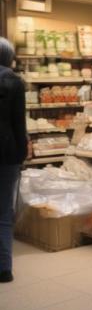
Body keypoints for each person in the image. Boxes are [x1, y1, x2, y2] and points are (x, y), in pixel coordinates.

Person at [0, 38, 27, 283]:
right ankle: (4, 268)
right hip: (7, 153)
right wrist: (22, 153)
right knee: (4, 212)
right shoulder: (15, 83)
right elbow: (19, 123)